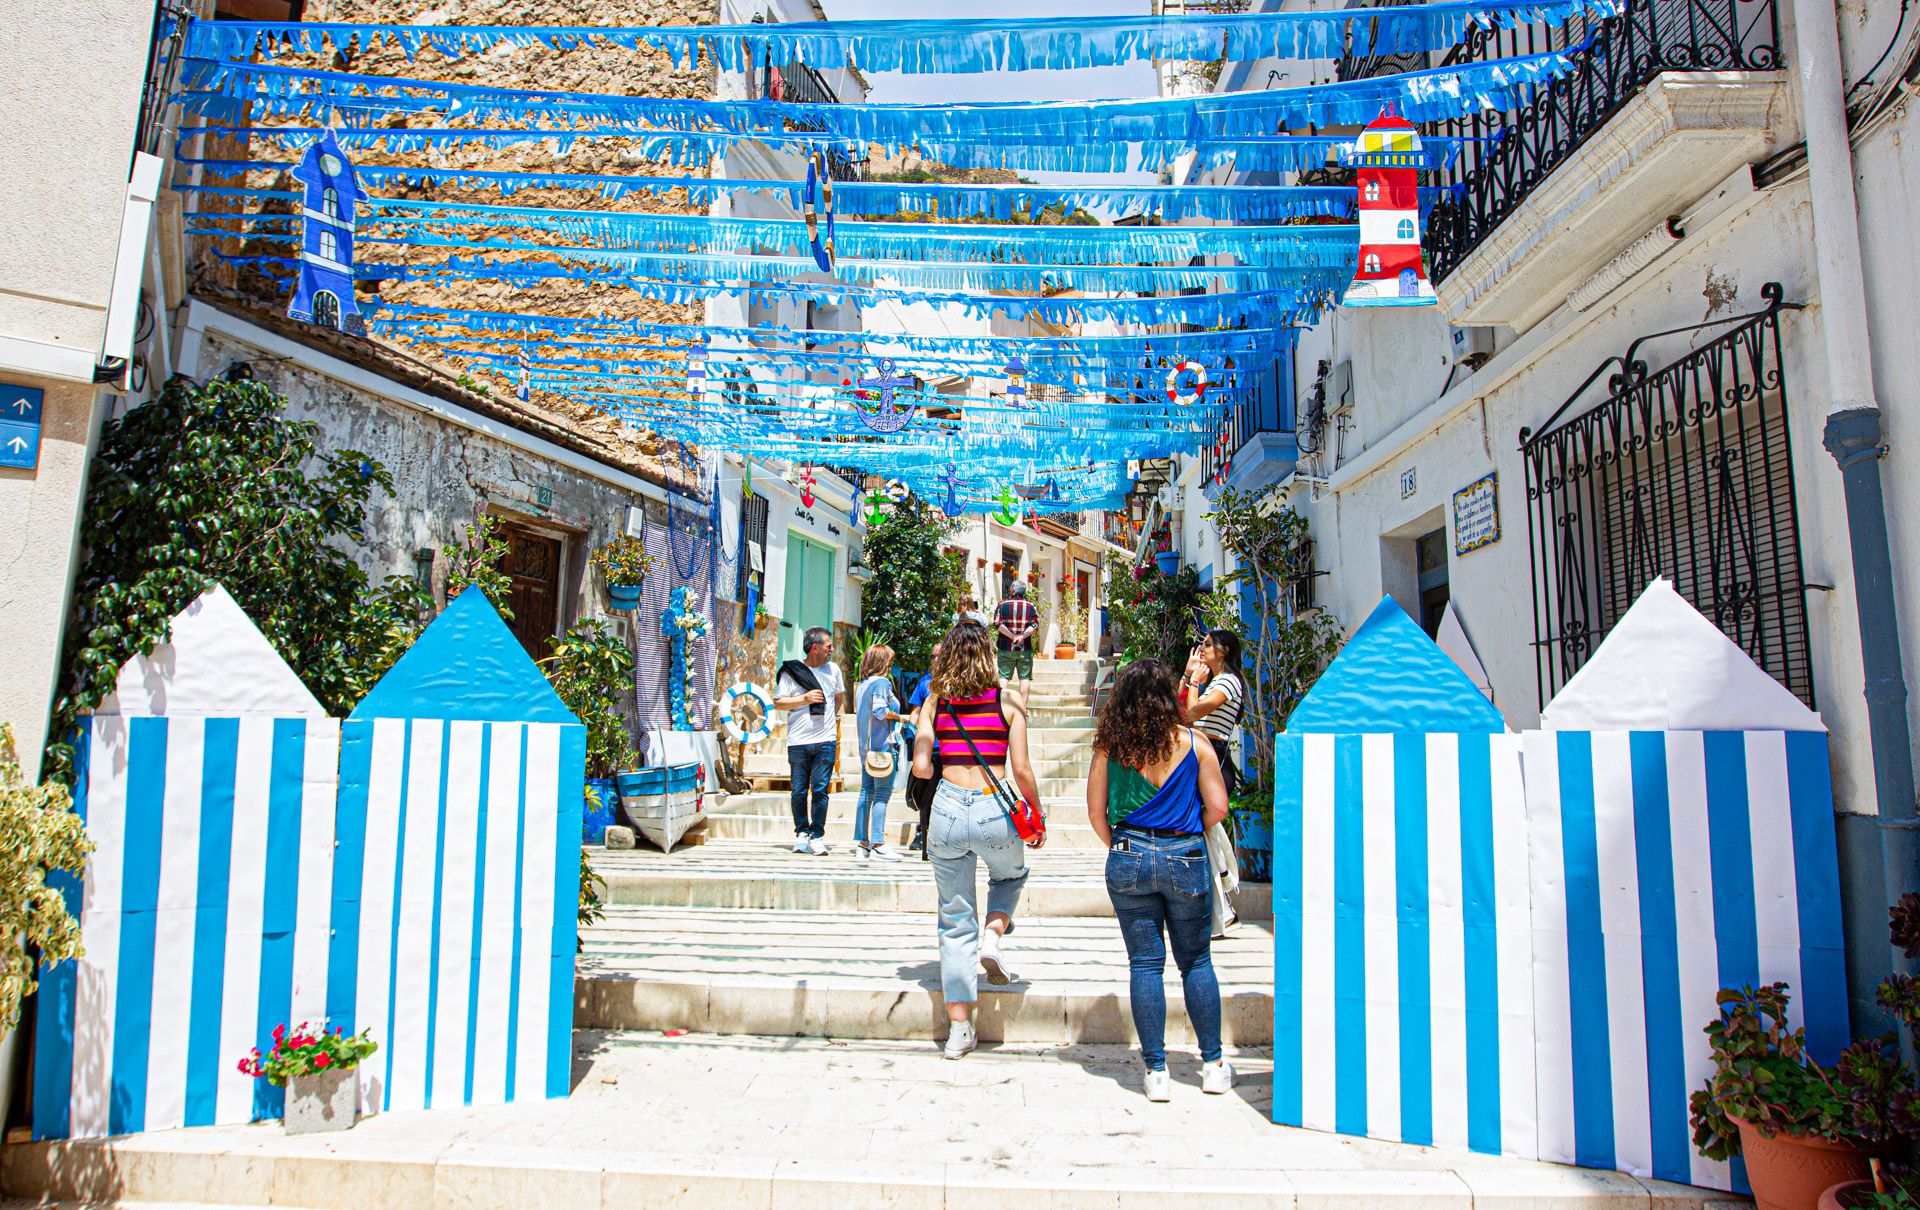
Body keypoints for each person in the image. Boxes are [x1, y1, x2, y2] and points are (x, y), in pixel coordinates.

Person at [1087, 658, 1233, 1101]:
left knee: (1145, 964)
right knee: (1196, 962)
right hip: (1184, 854)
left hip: (1129, 854)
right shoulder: (1196, 743)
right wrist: (1186, 830)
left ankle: (1155, 1072)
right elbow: (1219, 807)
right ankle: (1212, 1064)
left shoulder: (1109, 747)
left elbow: (1095, 813)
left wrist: (1124, 842)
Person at [911, 619, 1045, 1059]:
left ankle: (958, 1030)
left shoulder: (935, 703)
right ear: (988, 653)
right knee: (1010, 877)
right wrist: (1037, 813)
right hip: (994, 805)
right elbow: (1022, 769)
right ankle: (993, 934)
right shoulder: (1008, 699)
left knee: (953, 920)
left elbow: (922, 768)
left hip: (947, 808)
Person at [774, 626, 844, 855]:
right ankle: (802, 832)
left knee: (821, 789)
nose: (832, 649)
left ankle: (817, 834)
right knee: (799, 791)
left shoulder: (833, 670)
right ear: (815, 648)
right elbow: (778, 702)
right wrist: (803, 698)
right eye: (828, 646)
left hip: (826, 739)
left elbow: (839, 696)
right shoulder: (791, 672)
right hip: (799, 740)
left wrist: (836, 720)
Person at [853, 644, 906, 861]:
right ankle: (878, 843)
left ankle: (862, 843)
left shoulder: (863, 685)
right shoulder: (882, 683)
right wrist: (898, 717)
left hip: (866, 749)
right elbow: (880, 710)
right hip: (883, 747)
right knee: (882, 795)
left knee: (866, 793)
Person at [1181, 629, 1246, 802]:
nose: (1201, 649)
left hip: (1213, 755)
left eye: (1208, 645)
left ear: (1224, 651)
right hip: (1201, 754)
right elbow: (1178, 710)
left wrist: (1194, 682)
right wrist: (1188, 674)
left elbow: (1193, 713)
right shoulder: (1214, 682)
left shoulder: (1228, 680)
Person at [904, 646, 939, 855]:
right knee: (925, 795)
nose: (934, 659)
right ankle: (922, 833)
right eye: (932, 655)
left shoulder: (955, 681)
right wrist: (910, 730)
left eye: (939, 655)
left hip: (949, 749)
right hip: (929, 748)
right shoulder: (925, 682)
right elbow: (915, 711)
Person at [993, 581, 1038, 692]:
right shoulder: (1031, 606)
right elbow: (1035, 624)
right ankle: (1023, 708)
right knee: (1024, 679)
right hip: (1025, 649)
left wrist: (1012, 636)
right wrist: (1022, 636)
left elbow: (997, 623)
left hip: (1006, 648)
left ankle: (1001, 707)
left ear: (1013, 590)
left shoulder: (1002, 605)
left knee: (1003, 679)